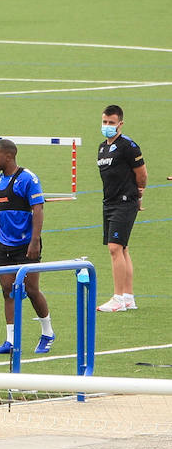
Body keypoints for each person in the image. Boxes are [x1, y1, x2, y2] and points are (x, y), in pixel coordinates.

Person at [0, 139, 55, 354]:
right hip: (4, 246)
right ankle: (11, 341)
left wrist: (34, 242)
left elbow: (38, 210)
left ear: (8, 157)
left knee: (31, 290)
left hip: (26, 246)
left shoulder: (27, 179)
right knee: (7, 291)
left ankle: (47, 332)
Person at [94, 105, 147, 312]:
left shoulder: (128, 146)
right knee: (123, 248)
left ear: (120, 124)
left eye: (111, 123)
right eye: (105, 122)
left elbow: (141, 174)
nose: (107, 126)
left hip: (124, 202)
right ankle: (128, 297)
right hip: (109, 202)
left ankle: (117, 298)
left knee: (114, 248)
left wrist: (139, 193)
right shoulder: (102, 147)